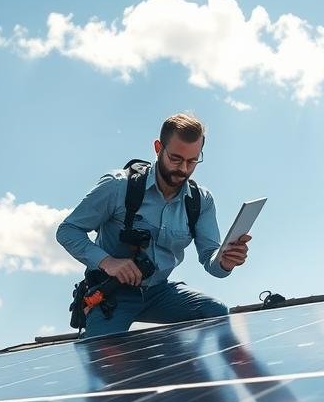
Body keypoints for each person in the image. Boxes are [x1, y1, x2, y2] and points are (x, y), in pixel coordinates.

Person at [56, 112, 250, 337]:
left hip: (159, 293)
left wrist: (225, 261)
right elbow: (67, 230)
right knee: (104, 350)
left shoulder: (201, 201)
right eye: (175, 159)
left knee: (215, 312)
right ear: (158, 148)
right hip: (112, 293)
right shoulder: (118, 187)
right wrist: (107, 262)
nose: (183, 169)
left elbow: (212, 262)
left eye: (192, 161)